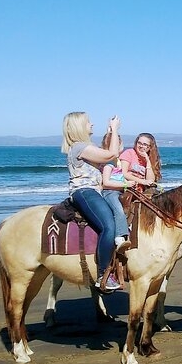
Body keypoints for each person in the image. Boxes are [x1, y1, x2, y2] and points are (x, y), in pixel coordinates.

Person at [61, 112, 122, 293]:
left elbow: (111, 155)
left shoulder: (86, 147)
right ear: (79, 126)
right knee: (108, 226)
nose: (92, 124)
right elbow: (112, 154)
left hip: (95, 191)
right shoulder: (80, 147)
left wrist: (111, 133)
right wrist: (116, 129)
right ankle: (103, 275)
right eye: (88, 122)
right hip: (85, 192)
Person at [100, 132, 137, 253]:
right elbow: (106, 182)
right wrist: (125, 184)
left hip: (120, 191)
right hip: (110, 192)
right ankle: (119, 237)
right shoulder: (108, 163)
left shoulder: (118, 161)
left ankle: (129, 227)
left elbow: (119, 177)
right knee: (118, 210)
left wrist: (128, 181)